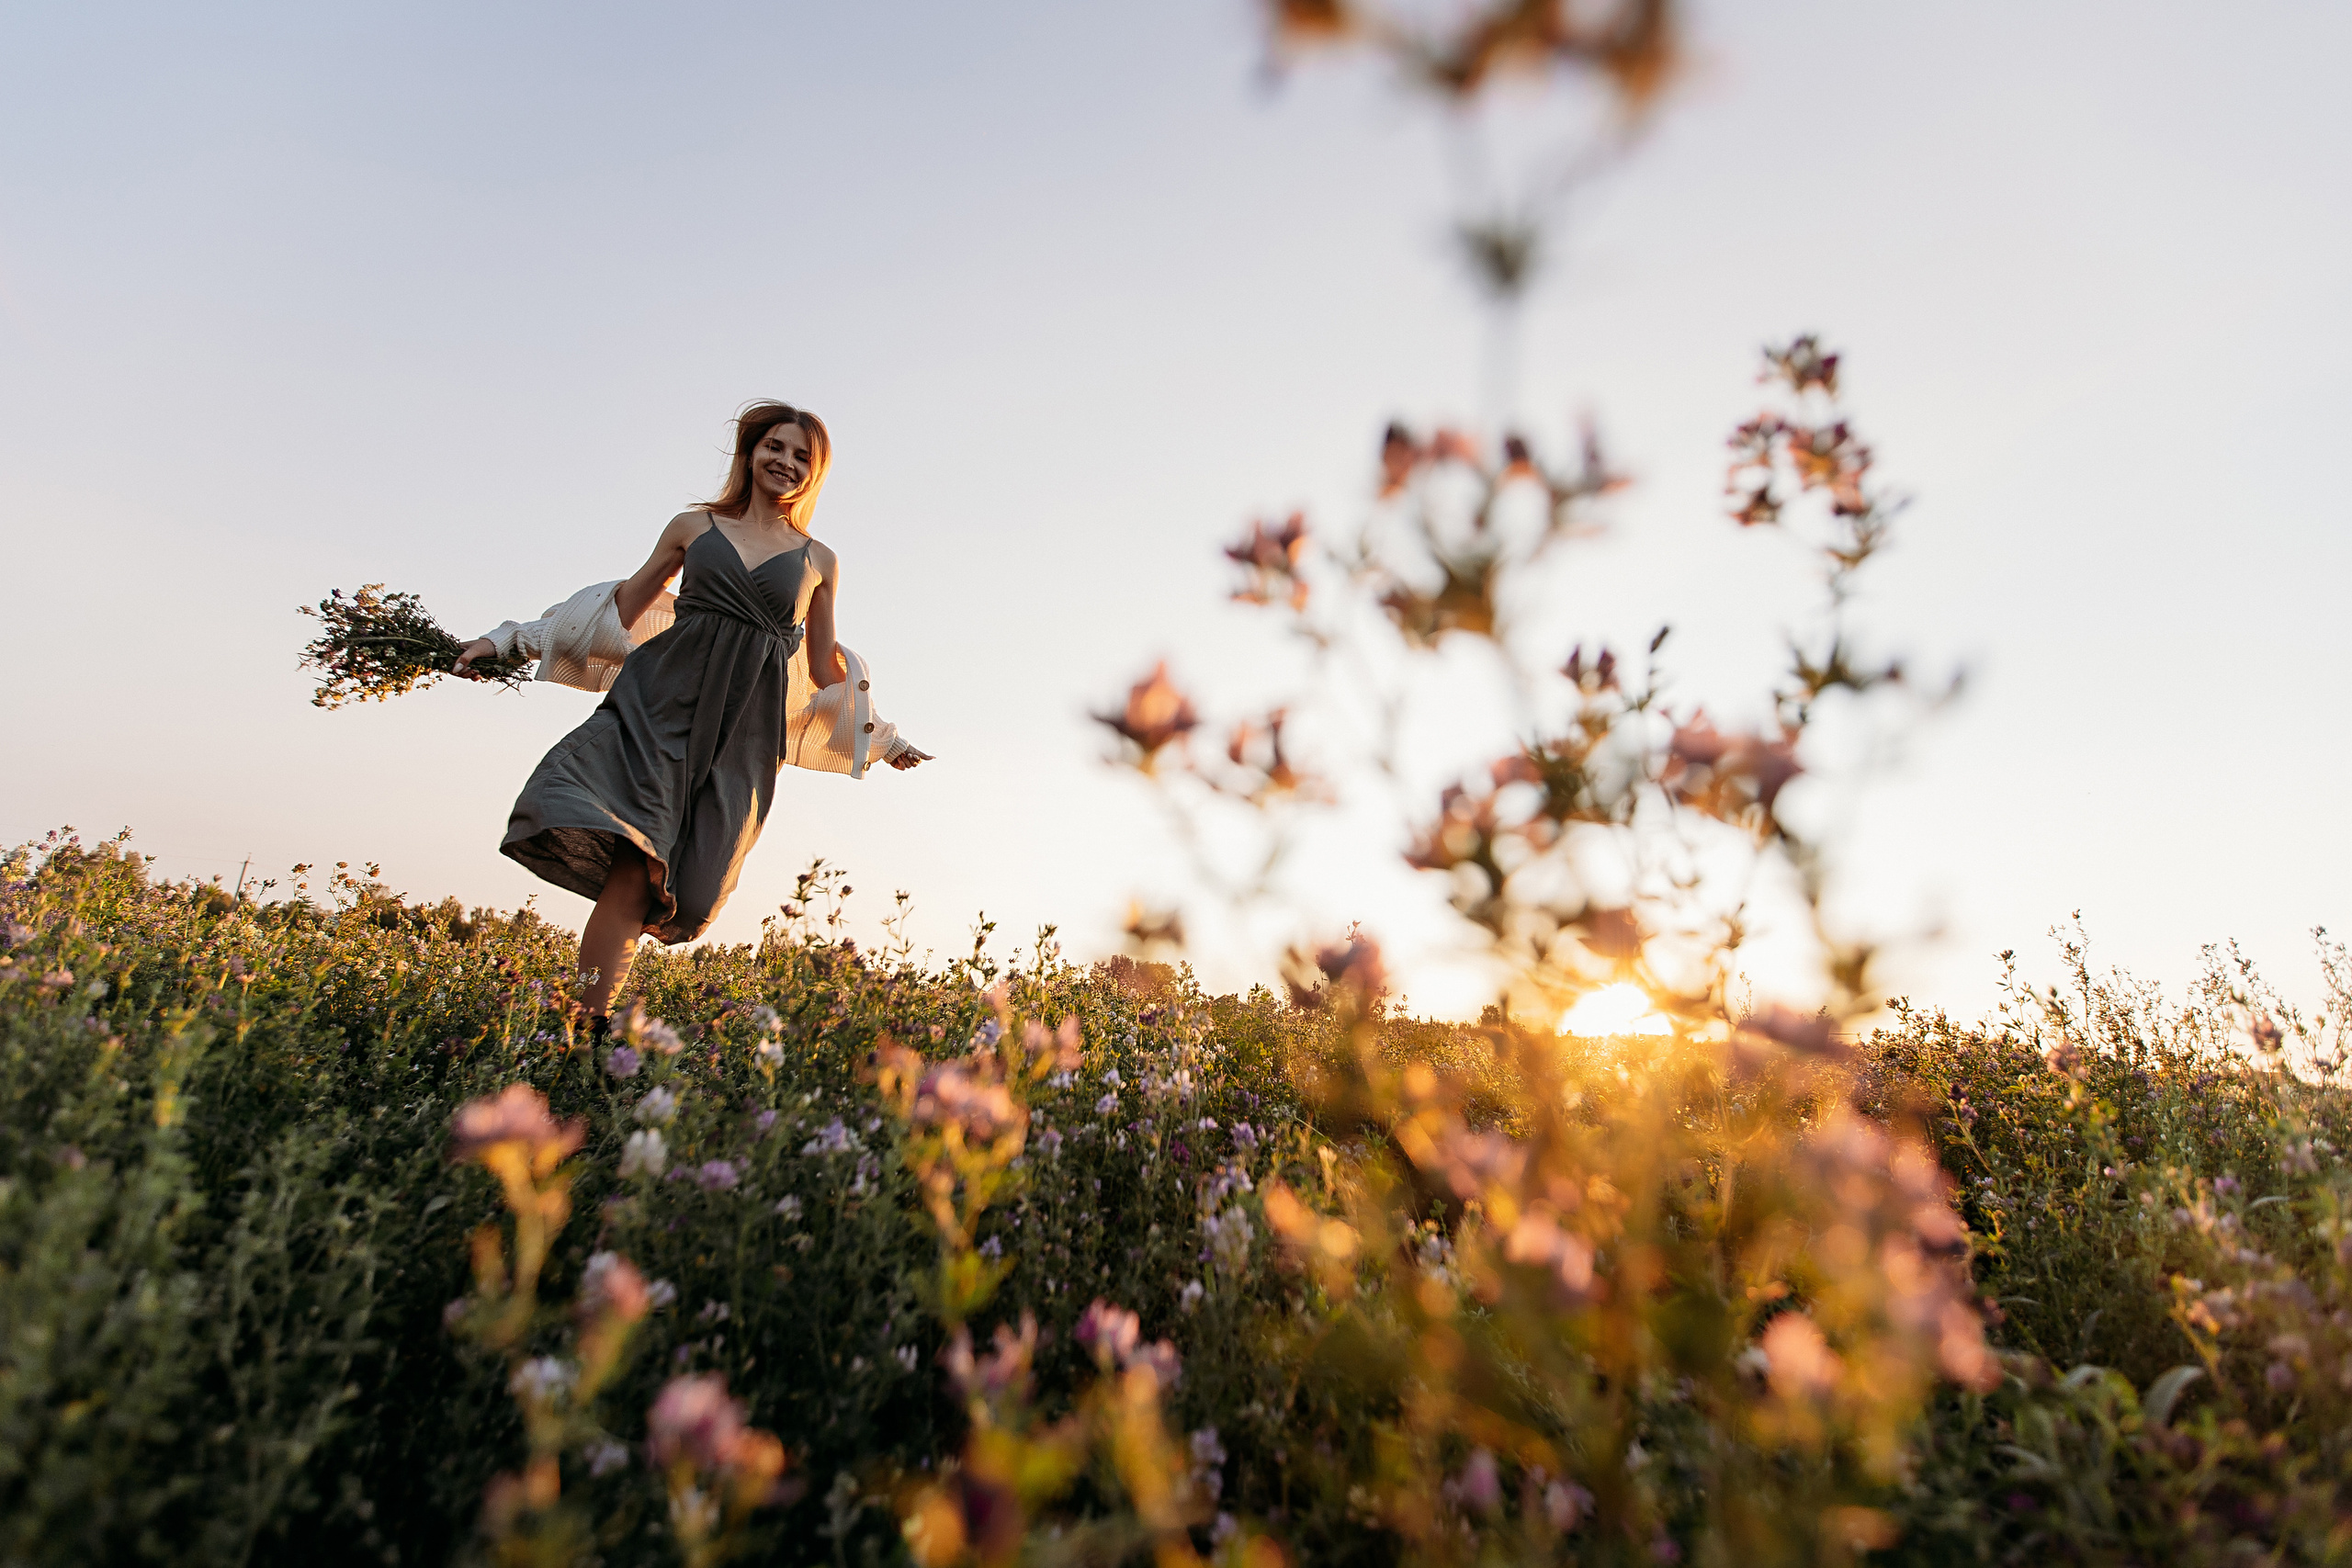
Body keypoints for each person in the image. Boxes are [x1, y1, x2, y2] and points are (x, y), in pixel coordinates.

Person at [452, 402, 929, 1029]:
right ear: (750, 452)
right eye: (774, 447)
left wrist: (881, 737)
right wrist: (509, 641)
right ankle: (580, 1025)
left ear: (815, 472)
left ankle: (585, 1013)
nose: (785, 461)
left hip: (743, 738)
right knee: (634, 868)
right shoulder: (694, 527)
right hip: (659, 712)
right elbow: (616, 611)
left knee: (694, 891)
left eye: (801, 456)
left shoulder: (819, 561)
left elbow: (824, 671)